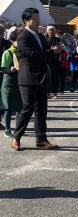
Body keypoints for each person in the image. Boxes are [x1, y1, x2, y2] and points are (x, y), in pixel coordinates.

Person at [10, 8, 62, 151]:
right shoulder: (22, 36)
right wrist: (50, 52)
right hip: (28, 78)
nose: (38, 21)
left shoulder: (39, 36)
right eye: (35, 18)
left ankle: (41, 139)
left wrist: (56, 50)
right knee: (27, 108)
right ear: (27, 20)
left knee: (41, 110)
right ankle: (16, 138)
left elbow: (46, 53)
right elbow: (33, 54)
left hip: (41, 77)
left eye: (38, 18)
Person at [0, 29, 22, 138]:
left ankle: (18, 129)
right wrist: (10, 69)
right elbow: (2, 69)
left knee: (19, 107)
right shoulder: (7, 52)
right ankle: (7, 129)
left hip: (19, 82)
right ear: (13, 41)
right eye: (18, 40)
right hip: (8, 83)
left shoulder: (22, 52)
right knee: (8, 107)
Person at [0, 24, 11, 130]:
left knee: (3, 98)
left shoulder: (7, 43)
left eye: (1, 31)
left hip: (4, 73)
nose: (1, 33)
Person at [46, 25, 61, 99]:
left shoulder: (57, 40)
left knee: (55, 77)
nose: (51, 31)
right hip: (47, 61)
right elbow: (45, 51)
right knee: (48, 77)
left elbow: (58, 50)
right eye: (49, 30)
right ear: (47, 31)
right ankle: (48, 93)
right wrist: (51, 50)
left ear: (54, 31)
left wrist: (53, 50)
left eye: (52, 30)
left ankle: (55, 93)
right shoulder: (45, 39)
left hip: (55, 60)